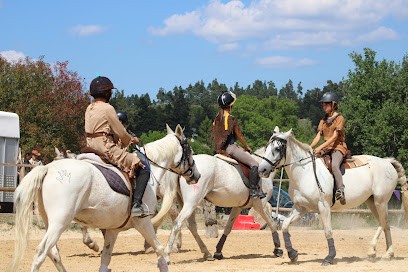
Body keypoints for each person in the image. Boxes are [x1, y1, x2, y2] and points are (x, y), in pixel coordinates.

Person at [84, 76, 149, 217]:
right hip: (105, 148)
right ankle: (136, 205)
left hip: (90, 147)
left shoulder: (89, 108)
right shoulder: (108, 108)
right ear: (107, 93)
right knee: (142, 166)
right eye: (110, 92)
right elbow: (120, 132)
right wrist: (131, 140)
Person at [211, 91, 265, 198]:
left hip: (220, 149)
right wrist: (247, 147)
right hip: (230, 149)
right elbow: (239, 135)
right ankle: (254, 190)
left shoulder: (217, 118)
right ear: (231, 105)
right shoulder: (231, 119)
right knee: (255, 164)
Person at [310, 92, 348, 205]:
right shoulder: (323, 120)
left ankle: (341, 190)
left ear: (333, 104)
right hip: (326, 148)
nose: (324, 107)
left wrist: (320, 147)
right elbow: (318, 136)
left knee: (335, 165)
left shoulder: (339, 118)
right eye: (323, 105)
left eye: (326, 104)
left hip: (338, 147)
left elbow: (334, 137)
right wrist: (309, 147)